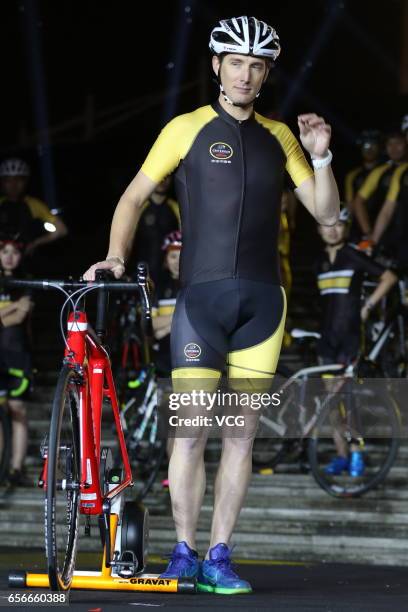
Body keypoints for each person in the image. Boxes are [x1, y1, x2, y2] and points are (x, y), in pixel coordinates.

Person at [84, 15, 340, 594]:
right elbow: (132, 196)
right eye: (236, 63)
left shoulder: (280, 136)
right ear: (217, 66)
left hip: (262, 305)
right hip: (201, 301)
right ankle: (184, 550)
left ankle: (219, 554)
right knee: (192, 433)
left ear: (266, 73)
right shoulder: (188, 128)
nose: (246, 74)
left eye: (257, 65)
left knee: (241, 437)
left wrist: (321, 157)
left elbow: (326, 214)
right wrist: (115, 257)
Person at [316, 208, 397, 476]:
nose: (333, 230)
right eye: (328, 225)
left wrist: (368, 306)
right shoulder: (320, 262)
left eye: (339, 225)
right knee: (330, 403)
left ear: (347, 228)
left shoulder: (352, 254)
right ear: (319, 229)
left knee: (347, 400)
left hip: (350, 338)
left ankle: (357, 454)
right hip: (327, 340)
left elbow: (389, 277)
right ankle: (341, 455)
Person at [0, 236, 34, 487]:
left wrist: (9, 311)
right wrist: (14, 307)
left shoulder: (26, 282)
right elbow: (16, 311)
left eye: (14, 252)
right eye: (4, 251)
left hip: (19, 354)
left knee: (17, 410)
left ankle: (16, 468)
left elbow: (21, 316)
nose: (9, 256)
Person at [0, 158, 68, 256]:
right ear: (2, 182)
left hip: (27, 258)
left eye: (18, 179)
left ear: (25, 182)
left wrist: (35, 243)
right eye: (8, 180)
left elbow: (62, 230)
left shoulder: (34, 204)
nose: (13, 185)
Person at [352, 132, 407, 250]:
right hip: (387, 236)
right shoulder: (384, 172)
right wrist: (369, 234)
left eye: (398, 143)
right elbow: (358, 202)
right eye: (390, 144)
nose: (394, 148)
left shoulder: (402, 170)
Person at [133, 176, 180, 284]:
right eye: (160, 176)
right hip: (142, 273)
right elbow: (129, 242)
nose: (162, 181)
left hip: (169, 276)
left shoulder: (176, 208)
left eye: (167, 177)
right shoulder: (139, 209)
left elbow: (185, 240)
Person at [152, 231, 181, 377]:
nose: (177, 262)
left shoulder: (197, 285)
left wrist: (165, 328)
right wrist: (181, 317)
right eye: (173, 256)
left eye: (182, 256)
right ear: (166, 258)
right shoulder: (159, 287)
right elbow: (151, 325)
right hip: (163, 357)